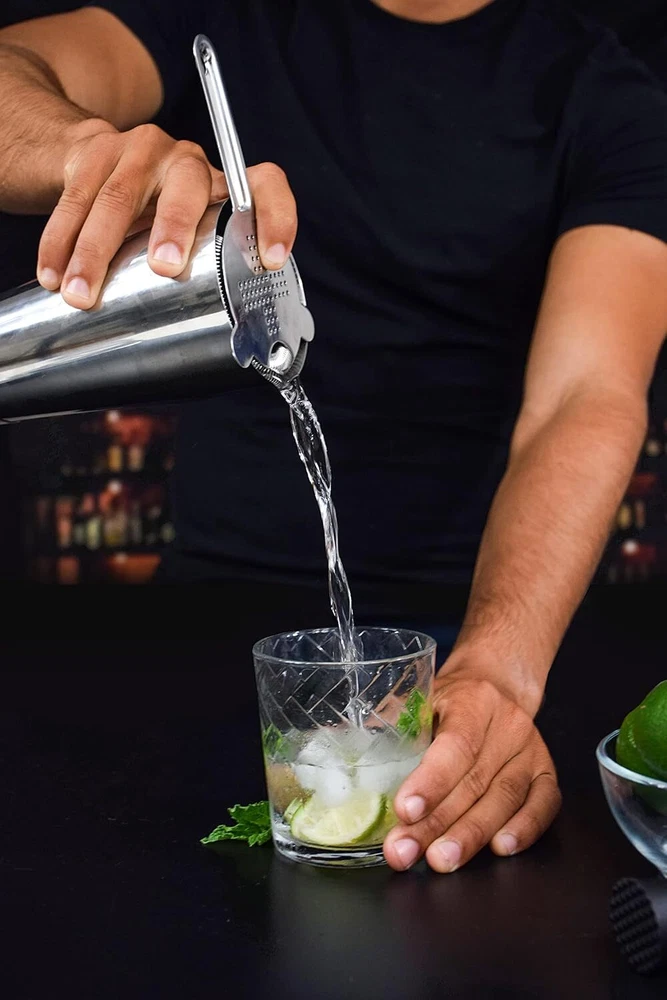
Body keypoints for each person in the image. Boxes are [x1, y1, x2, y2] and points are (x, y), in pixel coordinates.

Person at [1, 0, 666, 875]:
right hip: (199, 623)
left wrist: (497, 671)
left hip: (474, 631)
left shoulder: (603, 91)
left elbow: (583, 395)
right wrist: (81, 149)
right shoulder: (221, 14)